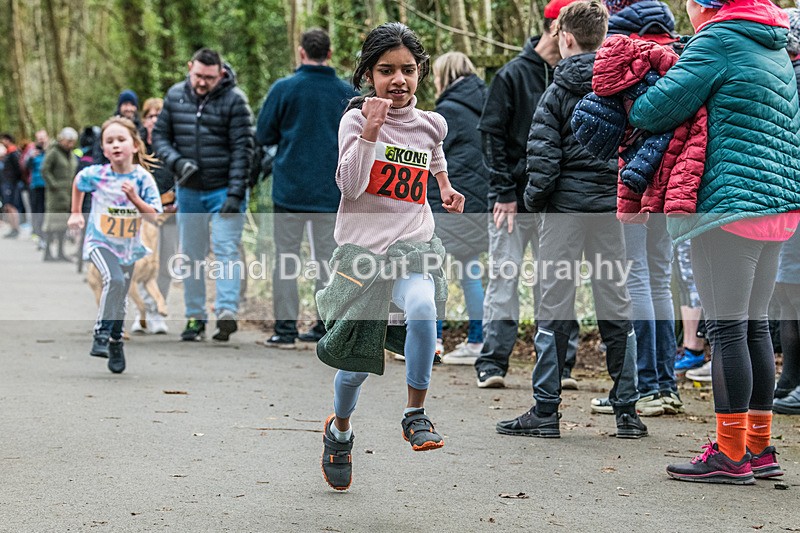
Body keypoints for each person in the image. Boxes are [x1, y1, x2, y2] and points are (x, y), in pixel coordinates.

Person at [629, 0, 800, 483]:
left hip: (729, 205)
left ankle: (729, 453)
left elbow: (652, 110)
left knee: (726, 329)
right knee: (753, 325)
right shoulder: (774, 42)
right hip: (778, 205)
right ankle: (758, 447)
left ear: (703, 5)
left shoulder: (718, 39)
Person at [319, 22, 465, 491]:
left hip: (412, 244)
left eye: (408, 69)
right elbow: (349, 186)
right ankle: (340, 431)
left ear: (420, 72)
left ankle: (415, 413)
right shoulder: (354, 121)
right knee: (355, 367)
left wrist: (444, 186)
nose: (398, 79)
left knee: (422, 306)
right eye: (386, 70)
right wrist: (371, 129)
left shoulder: (432, 123)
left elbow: (433, 152)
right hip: (363, 257)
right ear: (369, 75)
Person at [497, 0, 646, 440]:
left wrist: (534, 201)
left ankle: (546, 409)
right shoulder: (623, 87)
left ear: (564, 38)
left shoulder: (557, 91)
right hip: (609, 210)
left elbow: (543, 159)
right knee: (615, 303)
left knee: (554, 304)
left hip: (564, 213)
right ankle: (627, 410)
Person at [474, 0, 580, 388]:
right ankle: (492, 363)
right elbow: (491, 136)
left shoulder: (574, 76)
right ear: (556, 29)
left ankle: (560, 366)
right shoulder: (512, 75)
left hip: (556, 201)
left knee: (555, 282)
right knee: (504, 279)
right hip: (512, 200)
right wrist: (503, 190)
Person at [255, 28, 358, 349]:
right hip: (331, 190)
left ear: (302, 52)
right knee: (327, 259)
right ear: (329, 53)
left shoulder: (284, 88)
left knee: (286, 258)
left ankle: (285, 330)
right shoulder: (346, 93)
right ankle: (324, 327)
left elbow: (263, 134)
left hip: (290, 190)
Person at [153, 48, 254, 342]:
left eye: (209, 78)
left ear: (220, 74)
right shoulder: (175, 95)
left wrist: (235, 193)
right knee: (192, 255)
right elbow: (159, 137)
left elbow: (243, 150)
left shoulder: (235, 100)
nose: (202, 82)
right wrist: (176, 162)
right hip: (189, 190)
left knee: (225, 249)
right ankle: (195, 317)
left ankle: (226, 312)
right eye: (198, 75)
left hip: (224, 189)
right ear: (190, 68)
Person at [67, 117, 162, 373]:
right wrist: (75, 212)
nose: (116, 145)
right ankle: (101, 333)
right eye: (109, 141)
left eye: (121, 140)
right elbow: (78, 182)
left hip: (128, 247)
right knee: (115, 280)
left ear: (135, 145)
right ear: (104, 149)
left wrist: (134, 198)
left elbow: (154, 216)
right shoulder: (97, 174)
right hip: (100, 242)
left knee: (120, 296)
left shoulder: (142, 179)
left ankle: (116, 342)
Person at [426, 52, 489, 365]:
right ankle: (478, 341)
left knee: (433, 272)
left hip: (448, 201)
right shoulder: (488, 104)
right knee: (470, 270)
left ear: (445, 76)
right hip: (480, 200)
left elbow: (432, 157)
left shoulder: (447, 111)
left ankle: (432, 342)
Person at [130, 97, 176, 335]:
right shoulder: (134, 147)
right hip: (141, 215)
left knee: (164, 263)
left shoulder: (174, 145)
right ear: (144, 119)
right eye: (150, 116)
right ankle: (143, 311)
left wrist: (175, 201)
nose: (154, 120)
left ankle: (158, 309)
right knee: (139, 263)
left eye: (159, 116)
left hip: (169, 213)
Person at [42, 128, 79, 261]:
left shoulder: (71, 155)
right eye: (68, 141)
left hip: (68, 194)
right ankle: (47, 252)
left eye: (73, 142)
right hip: (55, 195)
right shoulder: (53, 152)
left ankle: (60, 252)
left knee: (63, 225)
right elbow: (45, 170)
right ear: (61, 140)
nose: (70, 144)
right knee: (51, 225)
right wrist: (54, 185)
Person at [25, 129, 50, 243]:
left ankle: (47, 234)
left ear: (47, 138)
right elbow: (25, 167)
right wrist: (31, 157)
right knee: (36, 210)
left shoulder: (52, 150)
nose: (41, 140)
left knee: (47, 210)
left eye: (43, 138)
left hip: (48, 186)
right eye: (39, 138)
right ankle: (37, 232)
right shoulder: (32, 151)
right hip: (35, 185)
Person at [1, 133, 23, 238]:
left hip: (11, 184)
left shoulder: (13, 153)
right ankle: (12, 228)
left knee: (11, 206)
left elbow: (18, 169)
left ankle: (15, 228)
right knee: (8, 206)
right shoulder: (8, 153)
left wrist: (14, 182)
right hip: (7, 183)